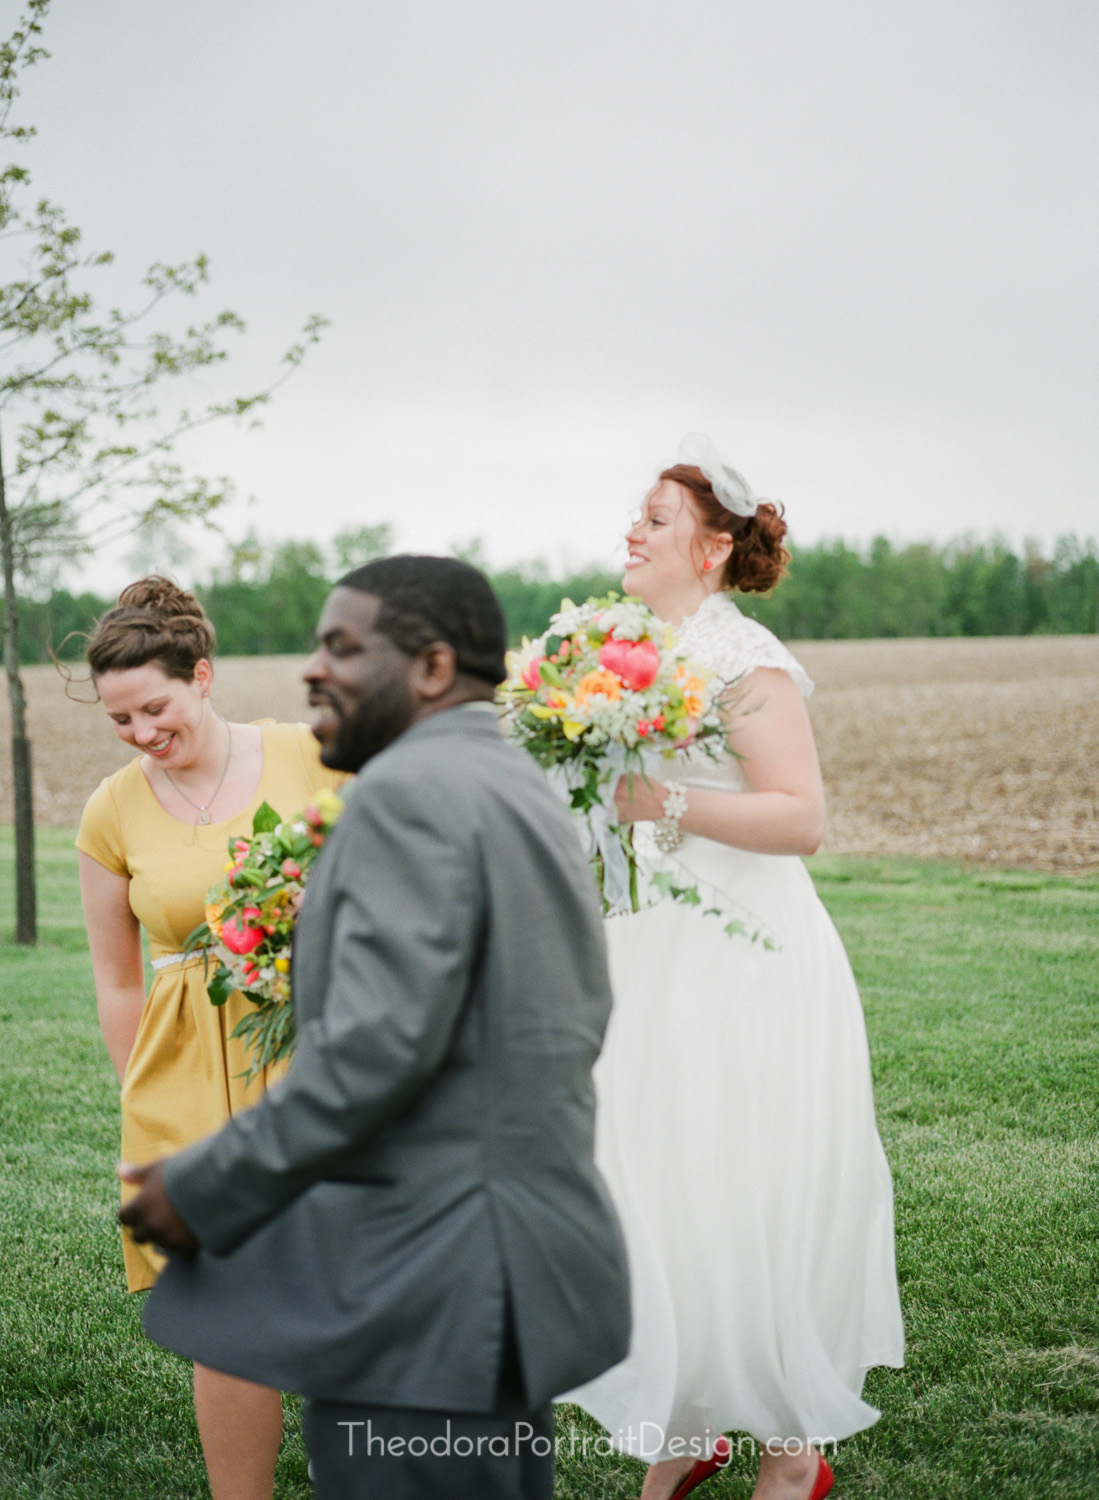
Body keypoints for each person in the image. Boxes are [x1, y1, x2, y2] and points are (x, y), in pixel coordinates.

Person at [117, 554, 632, 1500]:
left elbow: (372, 1055)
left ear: (432, 668)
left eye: (342, 648)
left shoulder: (403, 798)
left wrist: (198, 1189)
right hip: (517, 1267)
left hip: (425, 1291)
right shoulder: (518, 785)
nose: (313, 670)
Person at [564, 436, 904, 1500]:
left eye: (656, 518)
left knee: (744, 1180)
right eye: (637, 514)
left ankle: (793, 1452)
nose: (633, 530)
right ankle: (687, 1421)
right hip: (645, 952)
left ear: (711, 550)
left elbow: (799, 818)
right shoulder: (614, 654)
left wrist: (656, 801)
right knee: (659, 1179)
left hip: (746, 959)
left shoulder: (741, 658)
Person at [76, 576, 345, 1500]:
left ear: (202, 674)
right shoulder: (112, 809)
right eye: (120, 719)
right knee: (228, 1312)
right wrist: (139, 1094)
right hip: (188, 1077)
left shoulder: (313, 755)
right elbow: (117, 976)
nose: (142, 732)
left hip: (321, 1048)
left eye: (155, 706)